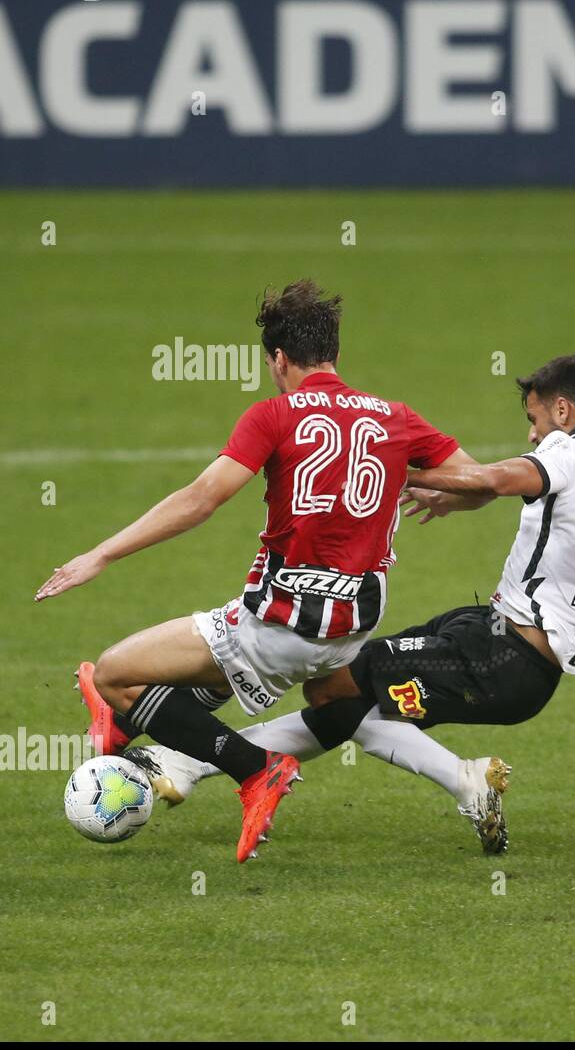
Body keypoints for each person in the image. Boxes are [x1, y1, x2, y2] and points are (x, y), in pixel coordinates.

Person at [125, 354, 575, 855]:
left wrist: (400, 473)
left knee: (339, 686)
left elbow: (501, 477)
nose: (533, 433)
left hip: (503, 656)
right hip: (501, 643)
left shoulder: (564, 456)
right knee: (348, 689)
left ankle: (200, 760)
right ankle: (202, 763)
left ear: (562, 412)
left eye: (534, 419)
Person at [35, 280, 473, 861]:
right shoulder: (395, 417)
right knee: (303, 690)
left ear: (279, 359)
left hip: (280, 624)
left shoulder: (274, 415)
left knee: (114, 675)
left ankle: (254, 770)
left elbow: (201, 499)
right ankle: (467, 779)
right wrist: (439, 491)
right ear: (335, 354)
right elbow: (479, 479)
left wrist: (102, 554)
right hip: (348, 633)